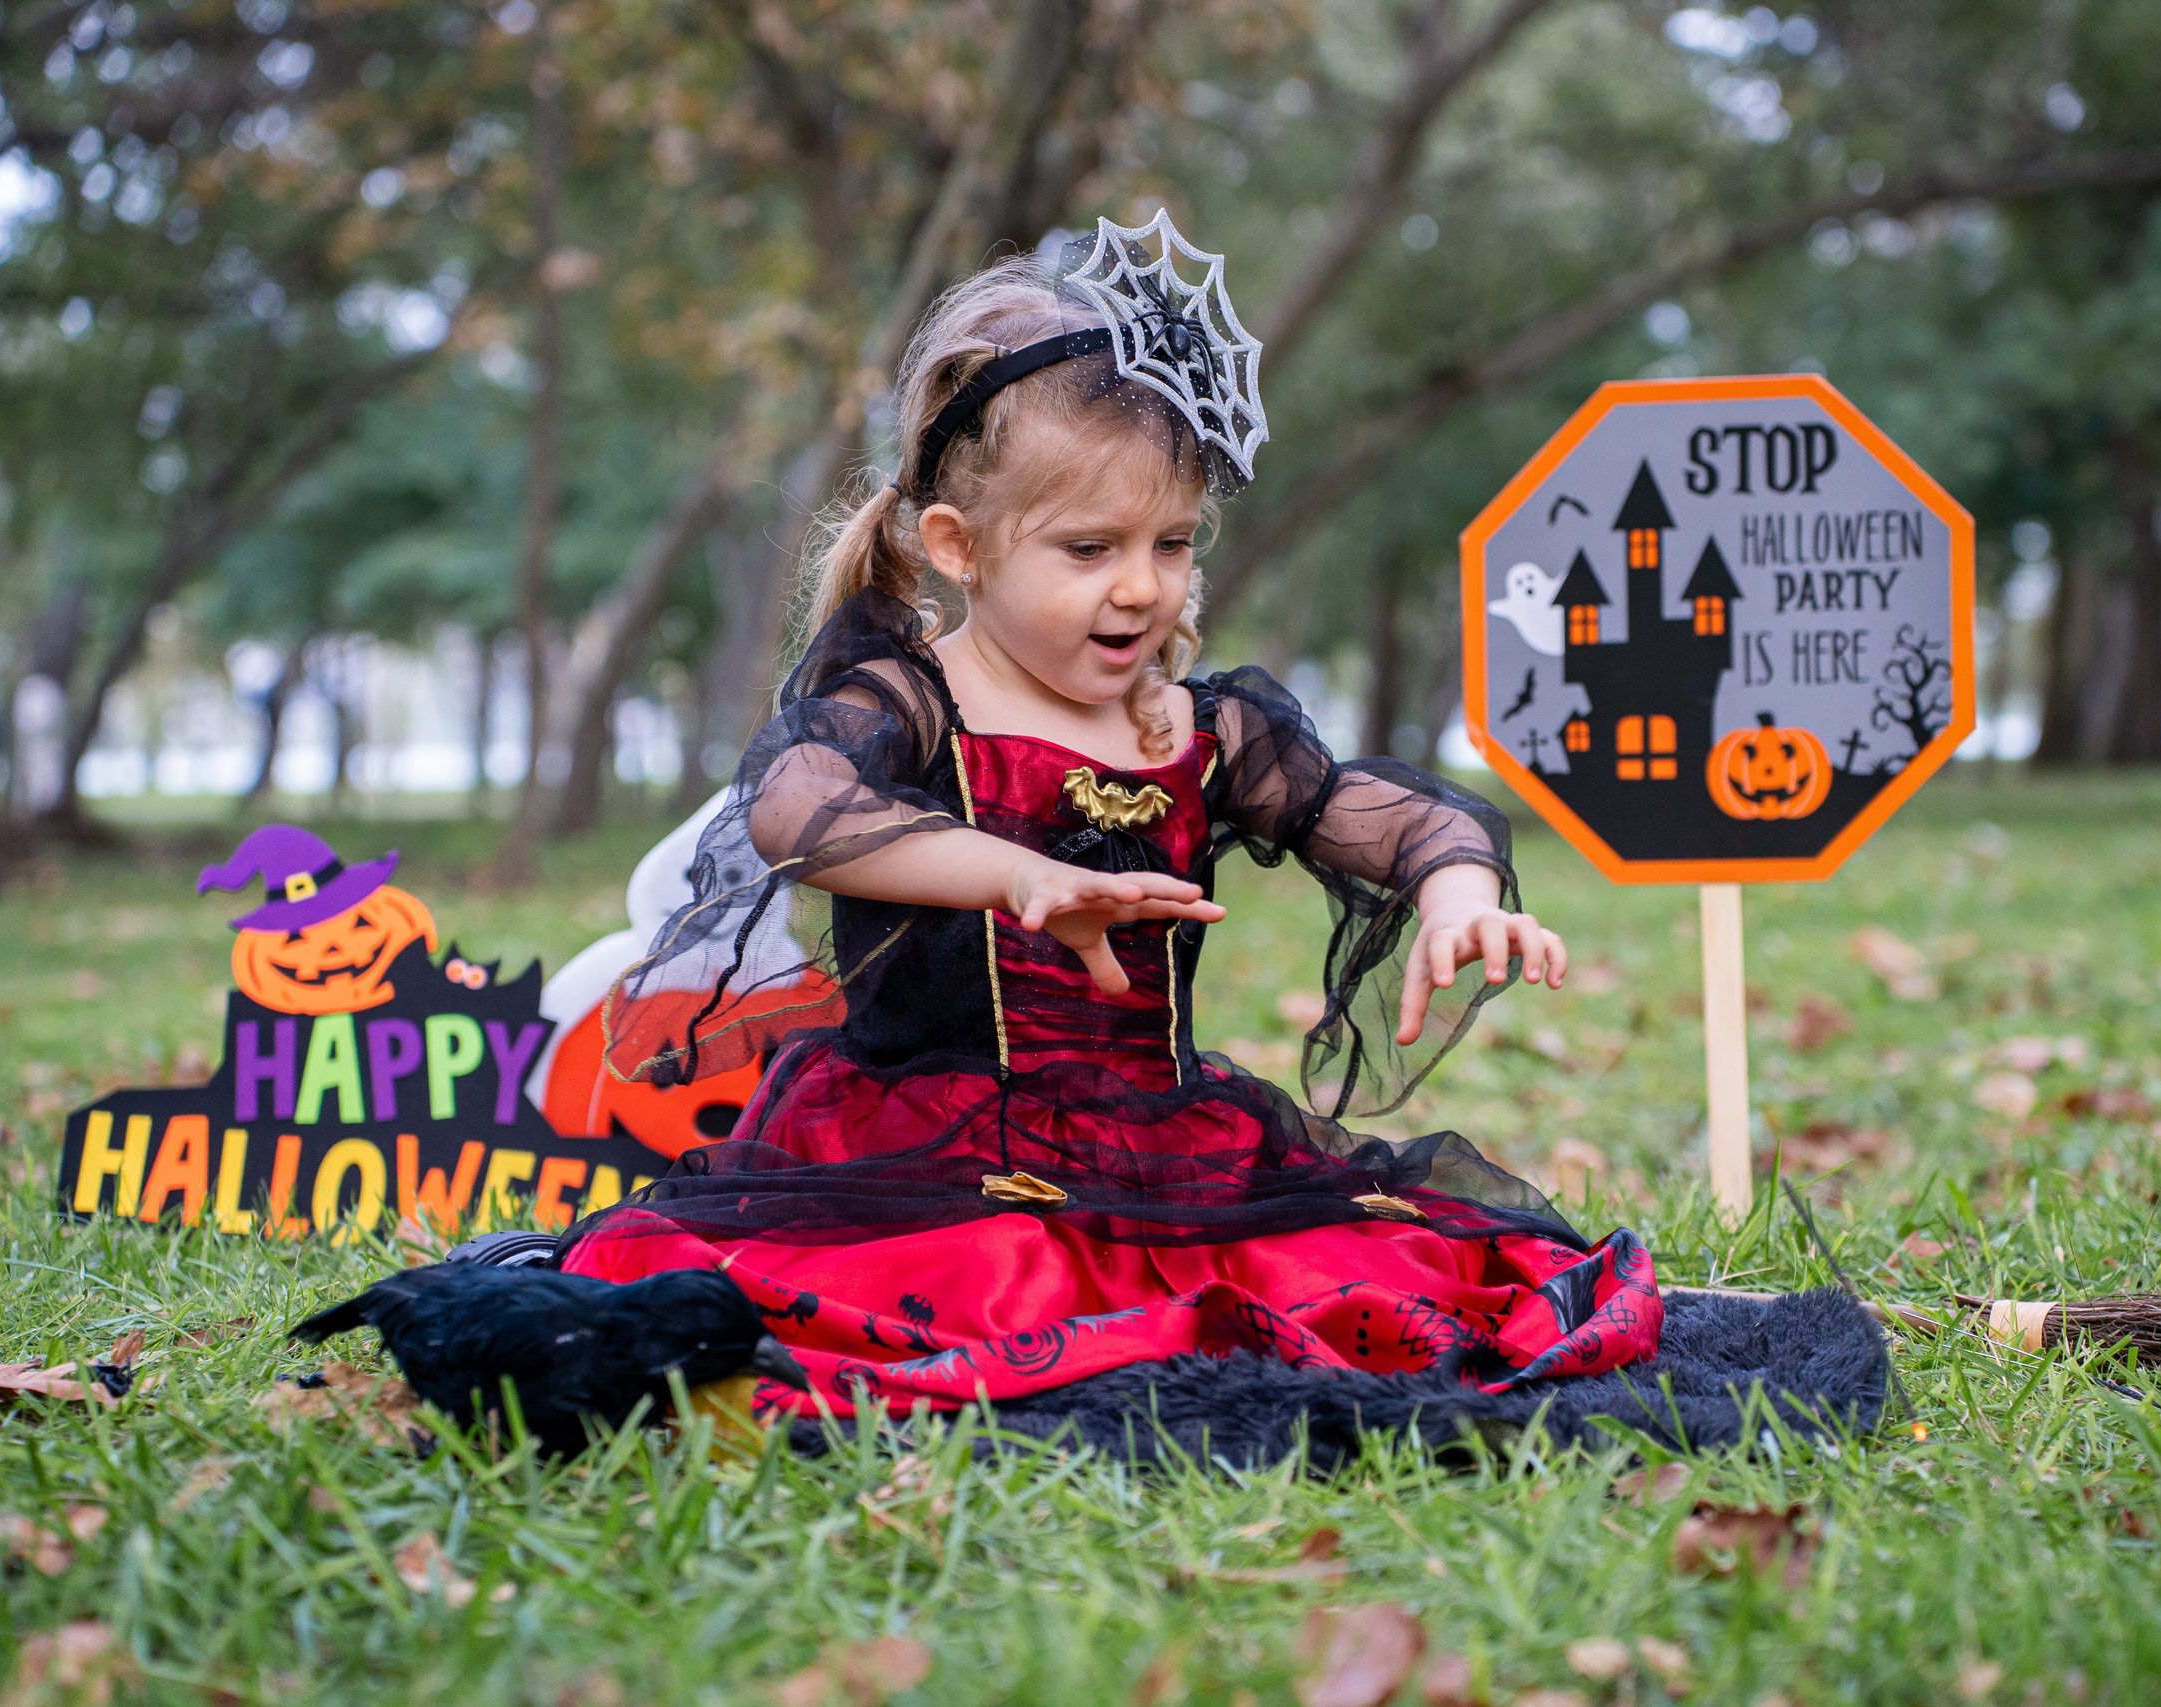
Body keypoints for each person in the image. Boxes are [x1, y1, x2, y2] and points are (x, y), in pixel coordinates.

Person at [340, 214, 1662, 1434]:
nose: (1139, 586)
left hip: (1156, 1143)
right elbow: (803, 810)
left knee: (1366, 1289)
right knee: (869, 1308)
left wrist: (1454, 887)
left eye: (1172, 543)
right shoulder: (907, 699)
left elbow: (1374, 810)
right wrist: (1011, 874)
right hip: (914, 1152)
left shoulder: (1194, 728)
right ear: (961, 546)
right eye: (1088, 549)